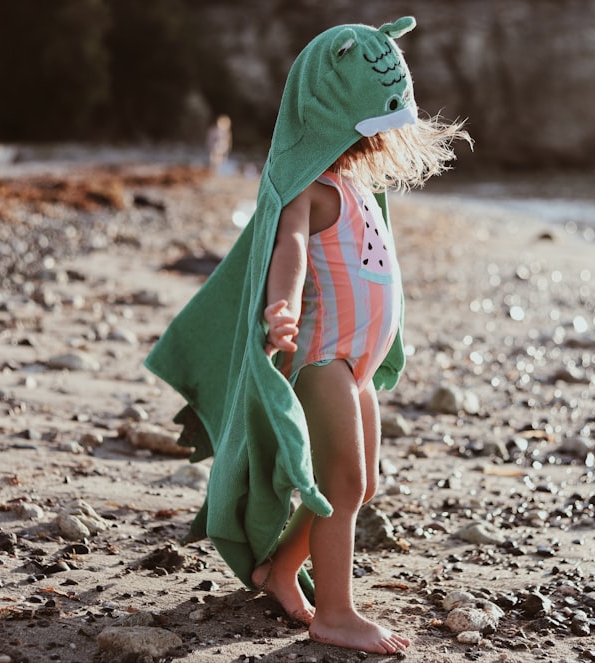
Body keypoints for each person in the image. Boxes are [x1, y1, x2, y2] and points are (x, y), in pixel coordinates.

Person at [144, 16, 468, 655]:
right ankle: (336, 613)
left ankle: (280, 569)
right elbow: (288, 249)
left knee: (361, 484)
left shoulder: (358, 188)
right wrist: (282, 307)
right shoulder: (310, 189)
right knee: (342, 484)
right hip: (322, 357)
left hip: (358, 366)